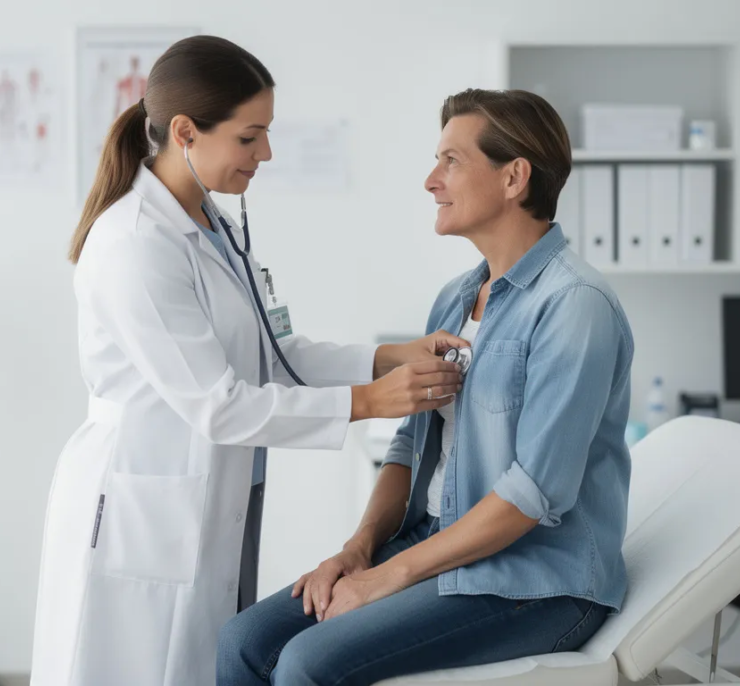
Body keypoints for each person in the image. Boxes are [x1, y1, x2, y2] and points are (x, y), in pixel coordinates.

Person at [29, 35, 465, 686]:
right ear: (185, 132)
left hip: (221, 487)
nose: (266, 153)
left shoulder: (209, 223)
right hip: (144, 496)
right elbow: (218, 404)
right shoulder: (136, 245)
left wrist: (384, 358)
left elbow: (273, 352)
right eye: (249, 136)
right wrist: (369, 404)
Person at [218, 88, 635, 686]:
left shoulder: (575, 306)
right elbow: (408, 453)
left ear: (514, 177)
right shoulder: (458, 299)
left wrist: (387, 577)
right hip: (436, 547)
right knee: (245, 641)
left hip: (537, 583)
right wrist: (358, 550)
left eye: (451, 161)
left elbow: (530, 497)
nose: (430, 181)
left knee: (309, 664)